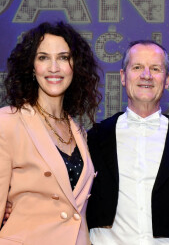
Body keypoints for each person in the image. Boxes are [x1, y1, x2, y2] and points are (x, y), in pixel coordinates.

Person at [86, 40, 169, 244]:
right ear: (123, 76)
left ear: (167, 79)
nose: (146, 75)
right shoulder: (93, 138)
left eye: (155, 68)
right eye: (137, 67)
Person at [0, 21, 101, 245]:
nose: (54, 67)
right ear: (31, 67)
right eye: (43, 57)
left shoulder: (78, 132)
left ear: (76, 66)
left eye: (63, 57)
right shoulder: (7, 122)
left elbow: (78, 212)